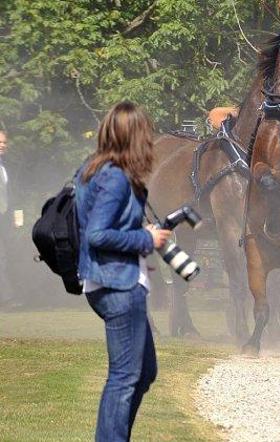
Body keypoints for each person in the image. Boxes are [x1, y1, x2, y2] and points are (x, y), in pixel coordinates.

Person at [75, 101, 172, 441]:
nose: (150, 140)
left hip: (111, 280)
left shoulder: (92, 169)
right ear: (134, 136)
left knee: (143, 371)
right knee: (124, 377)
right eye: (146, 133)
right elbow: (97, 234)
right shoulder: (115, 177)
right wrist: (144, 238)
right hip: (118, 286)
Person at [0, 130, 14, 307]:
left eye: (4, 142)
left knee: (3, 256)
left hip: (3, 221)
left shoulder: (4, 168)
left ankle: (6, 297)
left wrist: (16, 218)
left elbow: (11, 195)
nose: (2, 145)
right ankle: (7, 297)